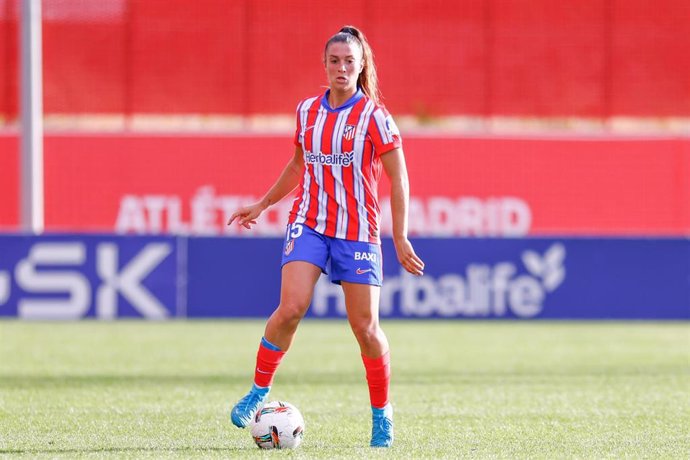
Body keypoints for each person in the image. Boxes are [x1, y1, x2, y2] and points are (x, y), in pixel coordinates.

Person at [227, 25, 425, 448]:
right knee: (292, 307)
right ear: (325, 65)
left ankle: (381, 415)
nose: (341, 68)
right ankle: (258, 391)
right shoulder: (306, 112)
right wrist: (262, 205)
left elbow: (398, 177)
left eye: (349, 61)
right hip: (310, 222)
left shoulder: (374, 118)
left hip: (357, 232)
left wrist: (400, 236)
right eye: (334, 61)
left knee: (366, 329)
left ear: (361, 66)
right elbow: (299, 167)